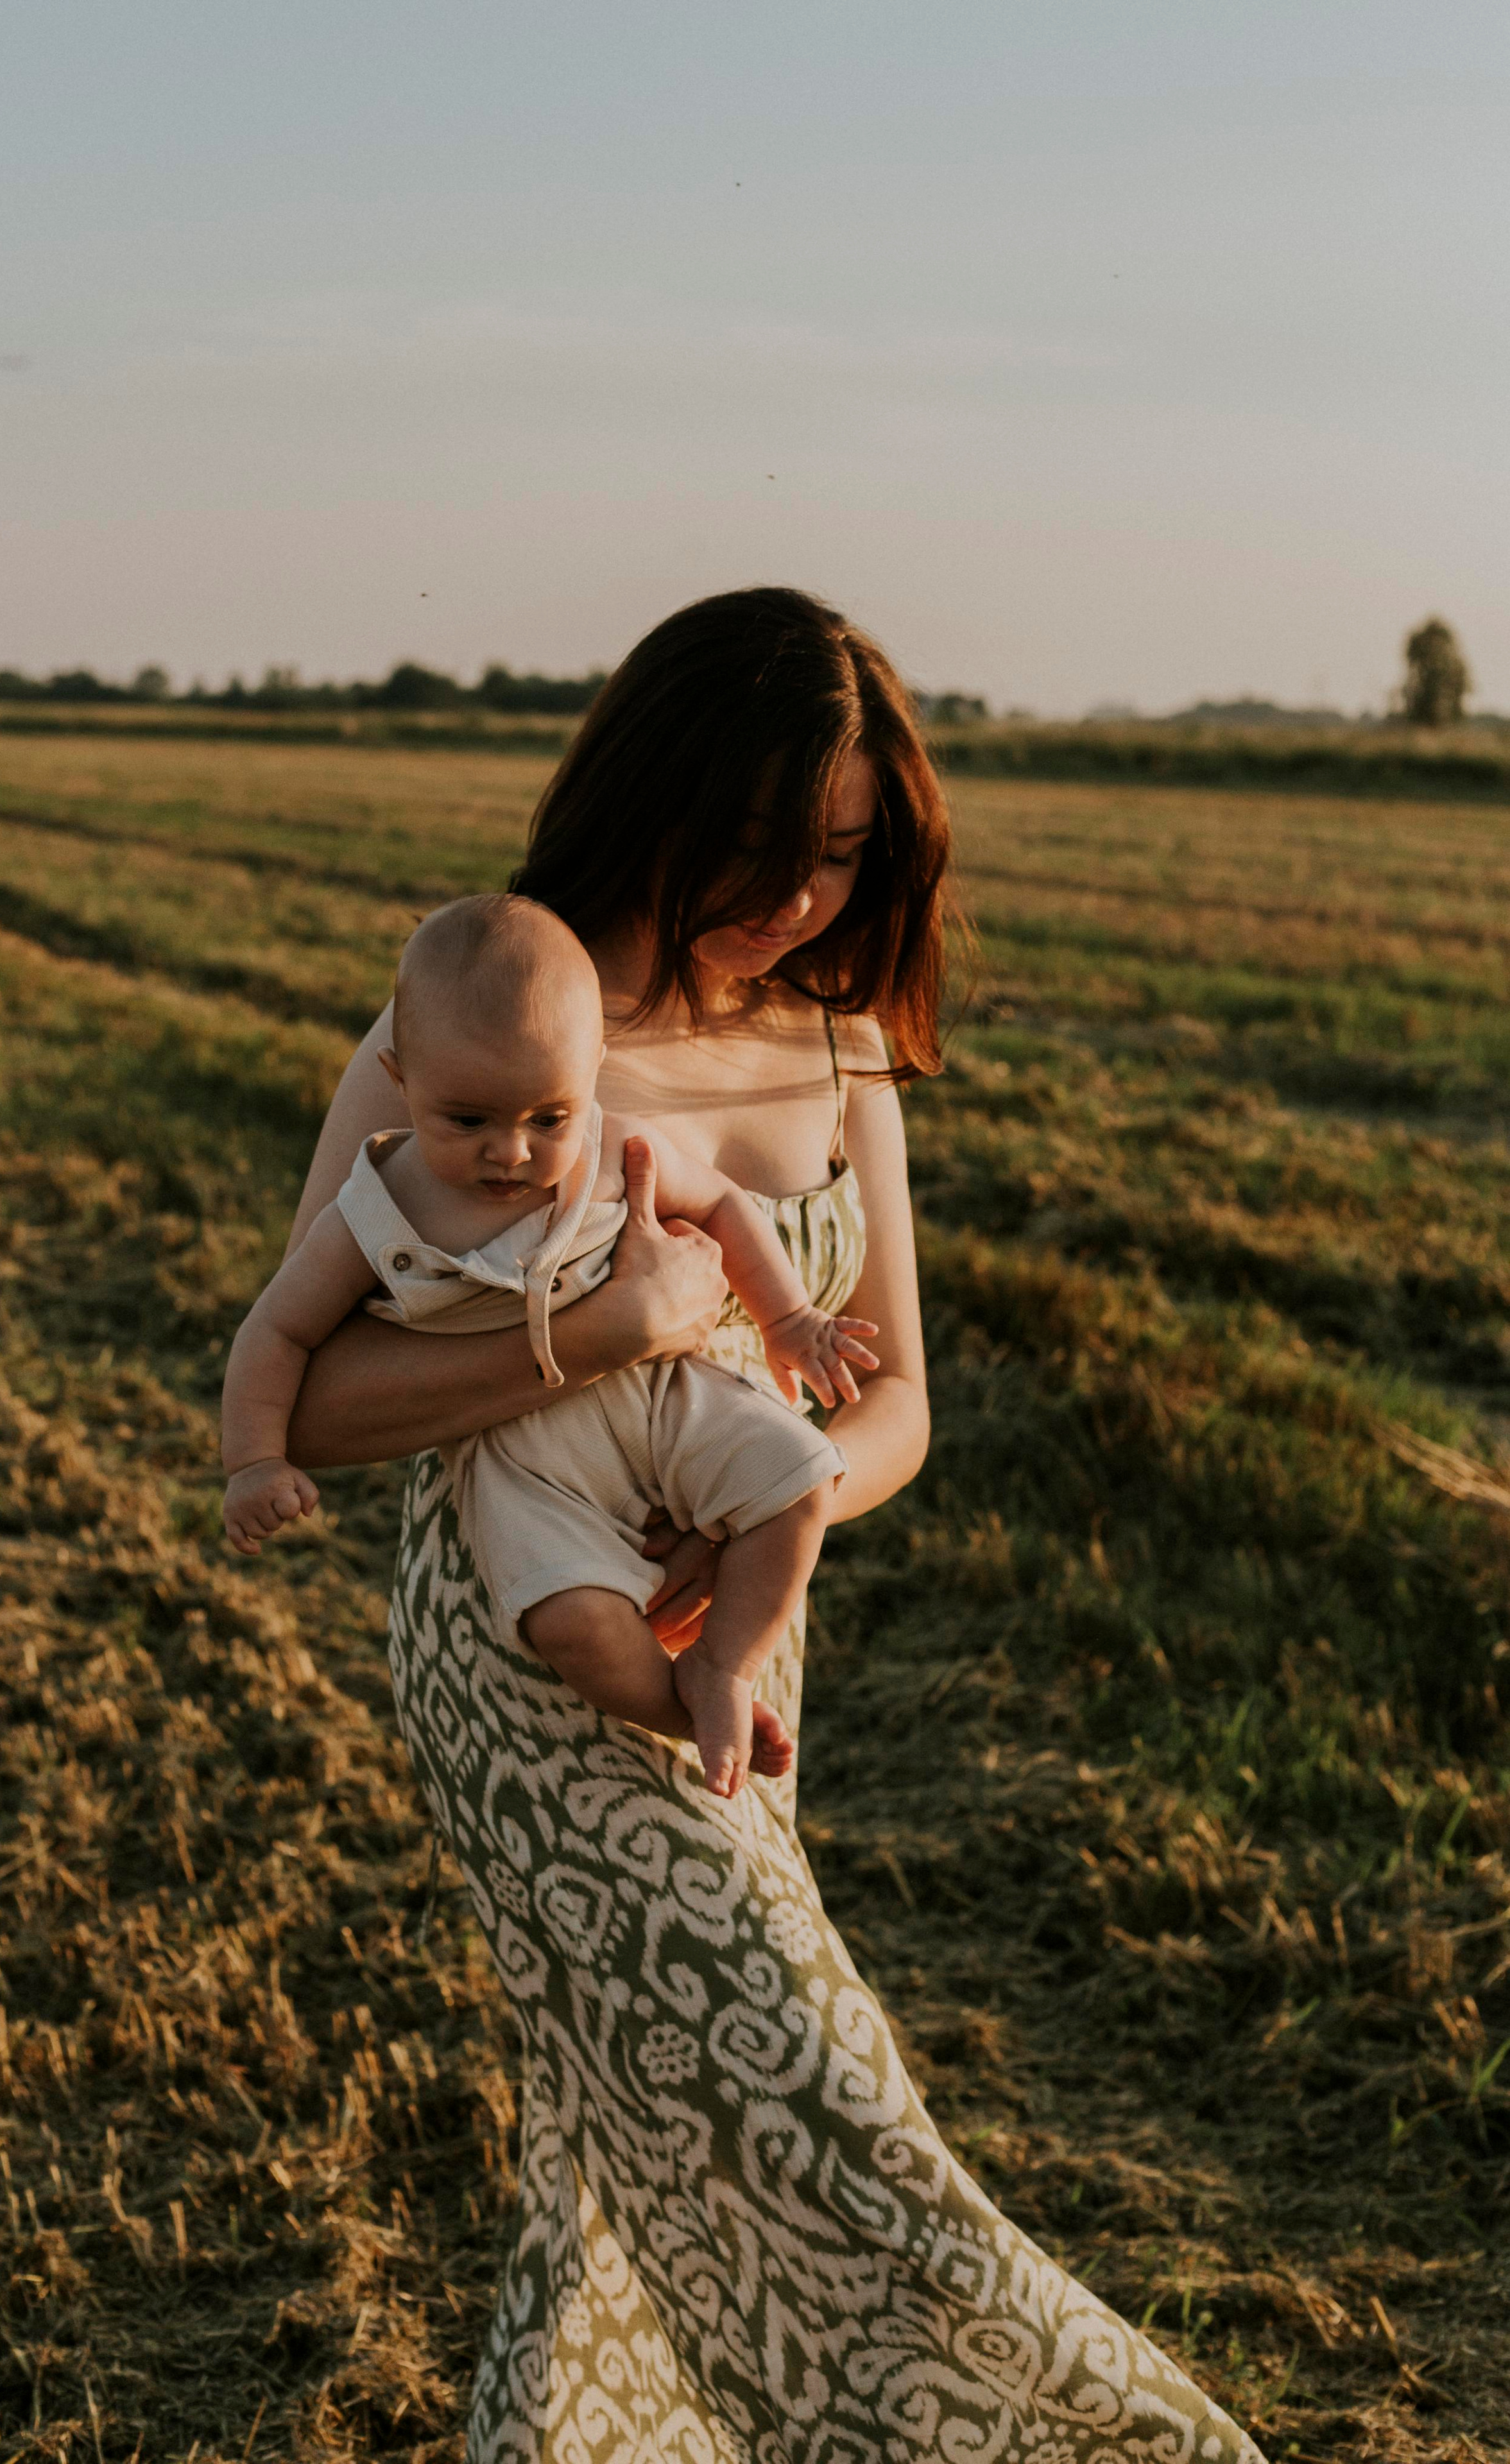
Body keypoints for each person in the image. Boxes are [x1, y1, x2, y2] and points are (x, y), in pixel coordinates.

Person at [283, 588, 1265, 2461]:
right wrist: (599, 1332)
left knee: (628, 2151)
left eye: (841, 855)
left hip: (741, 1645)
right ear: (652, 790)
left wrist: (773, 1506)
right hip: (532, 1652)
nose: (799, 899)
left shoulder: (841, 1046)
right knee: (820, 2109)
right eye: (758, 846)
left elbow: (898, 1406)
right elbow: (308, 1399)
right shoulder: (484, 1031)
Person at [221, 892, 879, 1797]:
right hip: (524, 1458)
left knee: (802, 1483)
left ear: (593, 1072)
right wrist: (254, 1460)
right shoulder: (377, 1210)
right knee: (571, 1621)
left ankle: (724, 1667)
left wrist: (790, 1319)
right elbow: (277, 1329)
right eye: (468, 1122)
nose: (512, 1151)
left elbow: (725, 1206)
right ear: (402, 1080)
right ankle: (674, 1710)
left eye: (548, 1118)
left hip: (666, 1397)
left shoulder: (616, 1149)